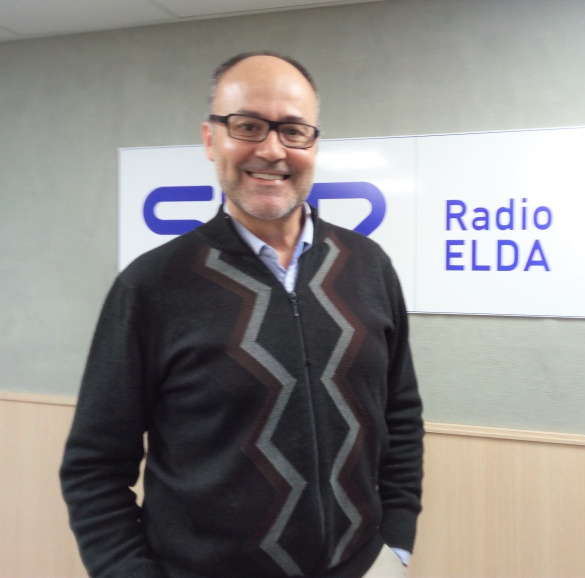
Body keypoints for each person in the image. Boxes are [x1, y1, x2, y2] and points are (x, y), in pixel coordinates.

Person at [60, 52, 424, 578]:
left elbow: (401, 415)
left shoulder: (367, 266)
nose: (272, 149)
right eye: (248, 126)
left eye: (293, 130)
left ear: (313, 145)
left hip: (364, 565)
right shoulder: (152, 287)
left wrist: (397, 543)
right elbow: (94, 468)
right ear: (211, 140)